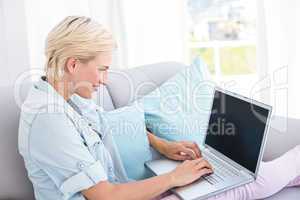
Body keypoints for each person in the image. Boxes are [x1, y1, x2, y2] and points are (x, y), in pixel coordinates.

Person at [18, 16, 300, 200]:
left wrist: (162, 145)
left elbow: (106, 126)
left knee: (245, 178)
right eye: (102, 69)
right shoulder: (48, 118)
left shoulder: (66, 96)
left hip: (126, 189)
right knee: (249, 183)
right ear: (73, 64)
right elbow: (103, 195)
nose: (104, 80)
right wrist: (174, 178)